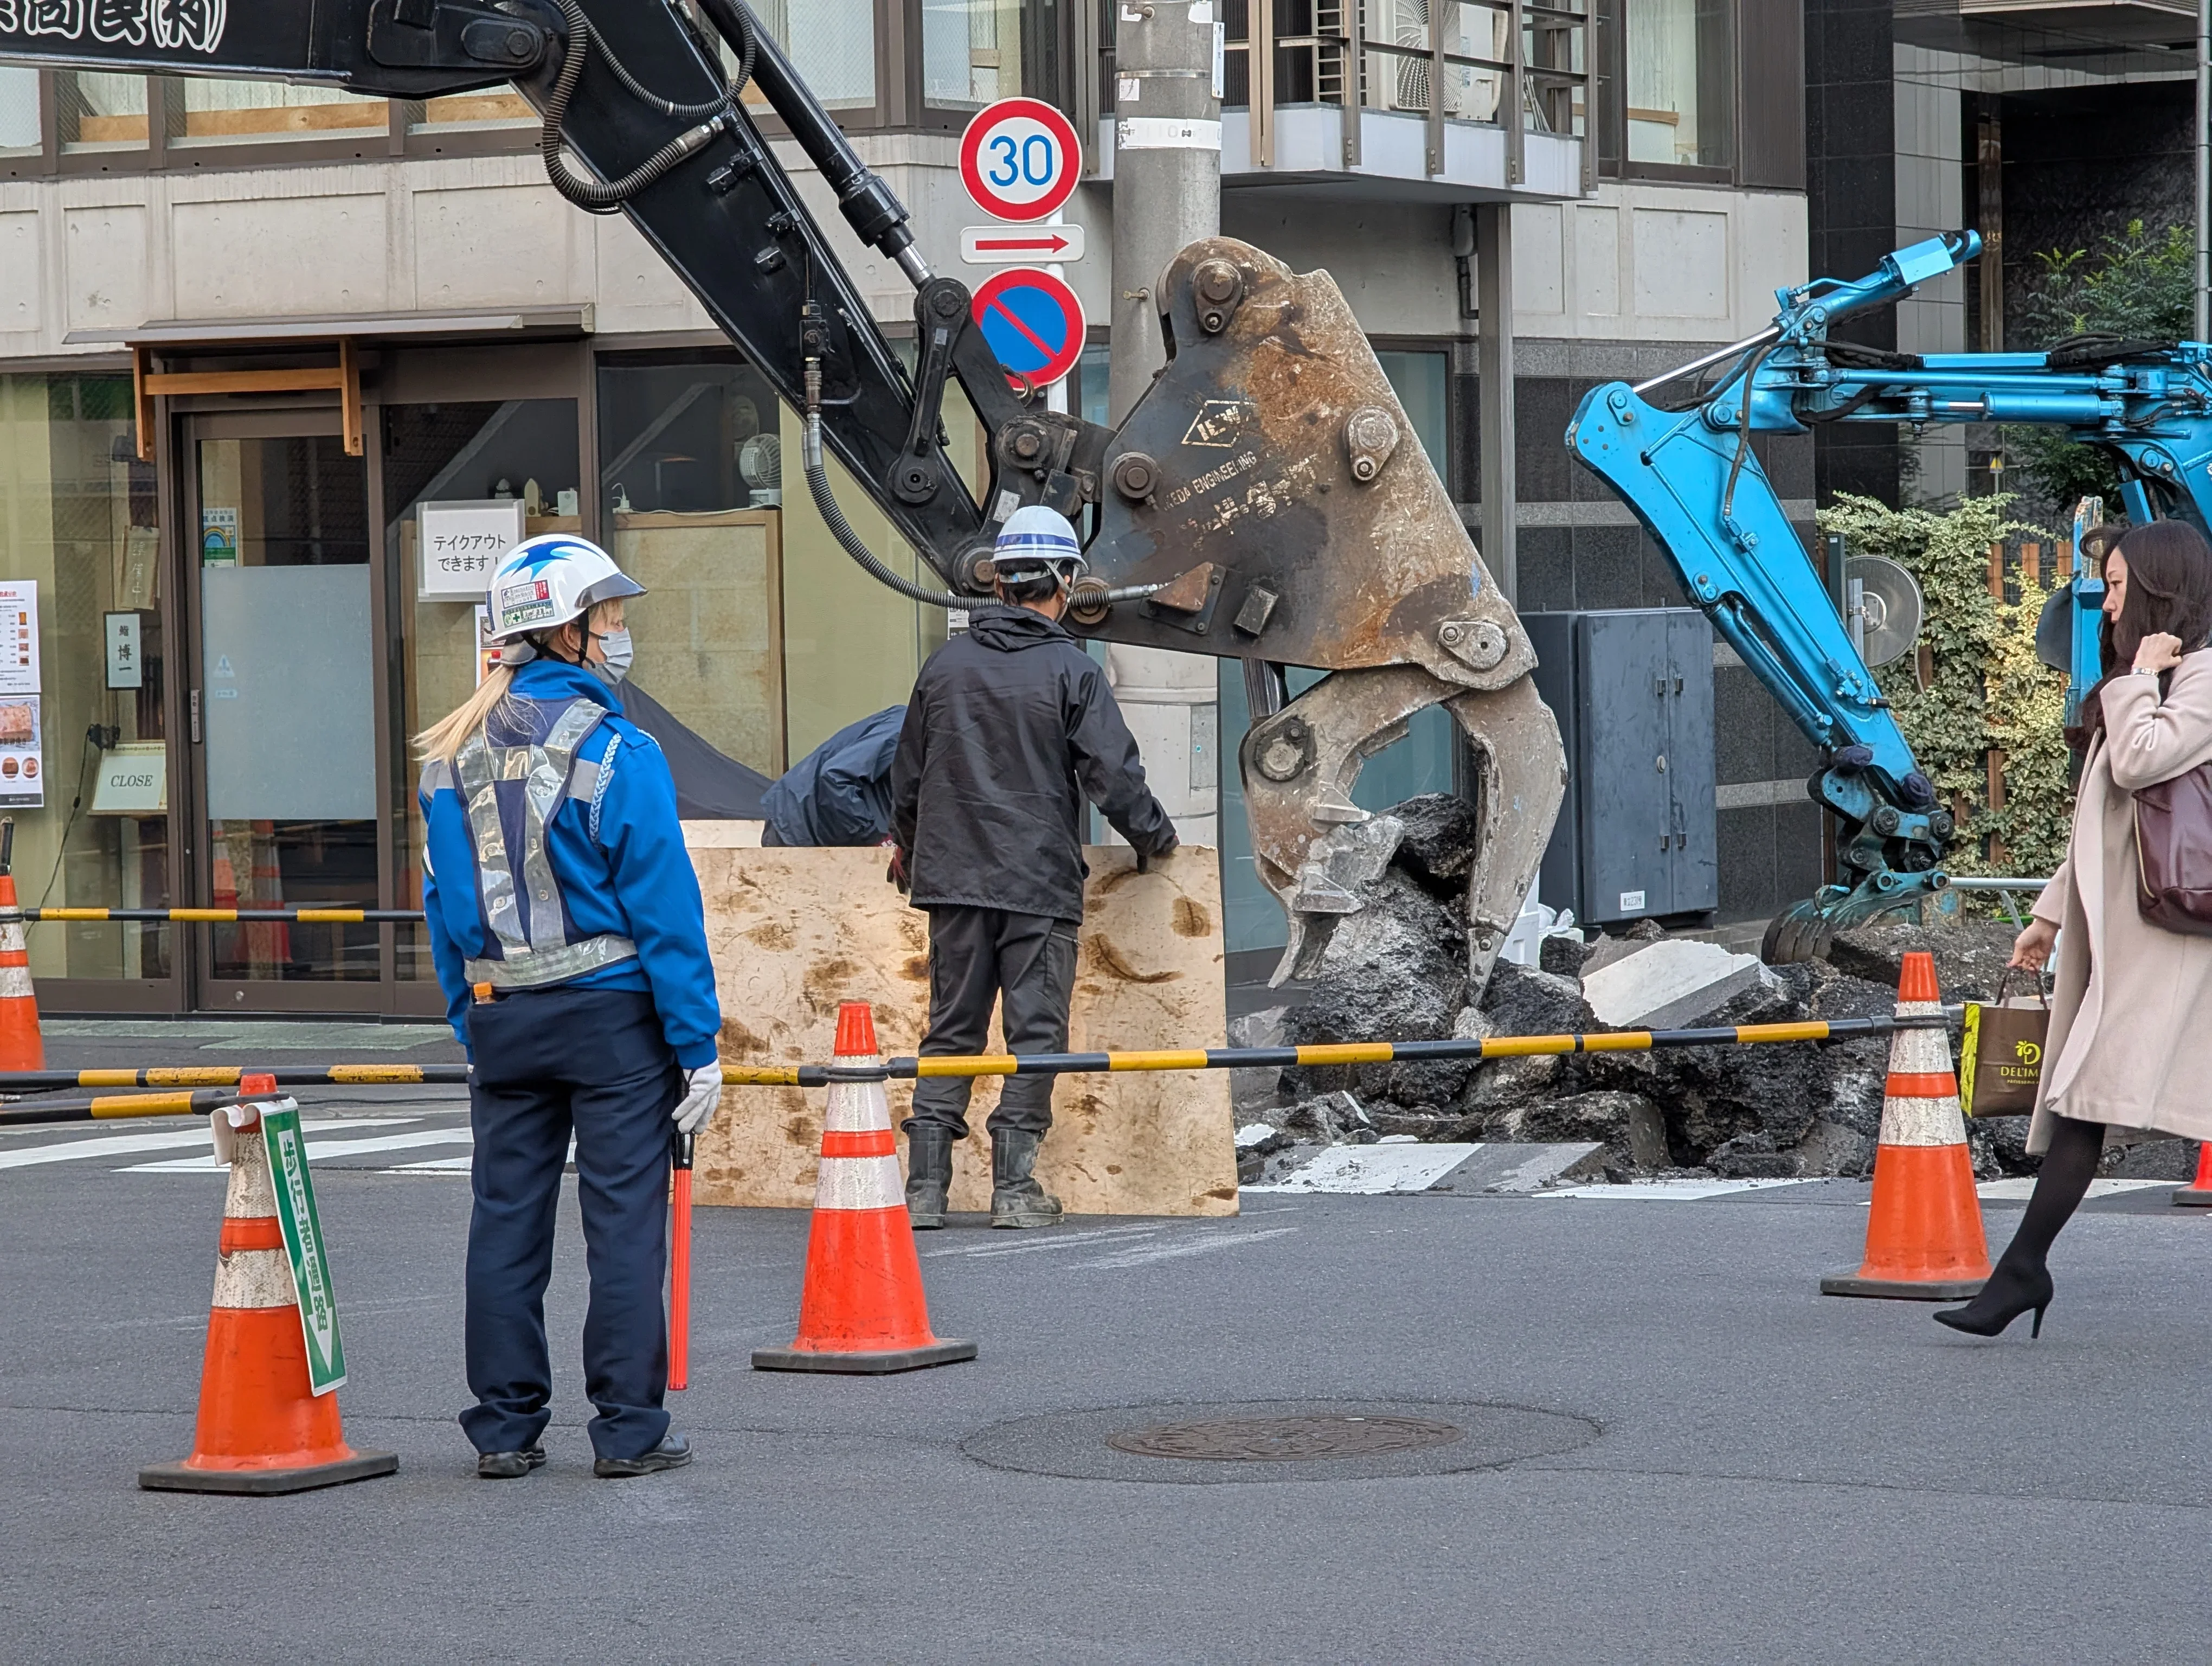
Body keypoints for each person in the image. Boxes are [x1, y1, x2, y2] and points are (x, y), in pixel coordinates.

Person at [417, 534, 723, 1476]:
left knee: (505, 1221)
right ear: (568, 632)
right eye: (611, 617)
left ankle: (505, 1430)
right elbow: (665, 908)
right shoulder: (618, 749)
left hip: (505, 1017)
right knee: (623, 1222)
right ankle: (629, 1432)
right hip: (613, 1017)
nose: (620, 633)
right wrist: (697, 1044)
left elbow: (442, 911)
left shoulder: (451, 756)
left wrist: (473, 1021)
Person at [1939, 518, 2212, 1339]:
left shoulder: (2197, 676)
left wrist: (2137, 675)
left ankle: (2021, 1273)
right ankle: (2021, 1271)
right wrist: (2048, 916)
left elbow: (2139, 763)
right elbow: (2102, 819)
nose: (2107, 601)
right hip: (2136, 935)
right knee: (2084, 1101)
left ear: (2164, 591)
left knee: (2088, 1094)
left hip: (2173, 935)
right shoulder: (2158, 676)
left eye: (2122, 585)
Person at [890, 505, 1178, 1229]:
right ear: (1065, 580)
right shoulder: (1071, 672)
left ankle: (924, 1191)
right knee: (1035, 1036)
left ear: (1000, 583)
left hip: (954, 882)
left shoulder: (945, 666)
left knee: (950, 1029)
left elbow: (907, 780)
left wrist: (910, 845)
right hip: (1037, 884)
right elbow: (1116, 777)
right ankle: (1015, 1192)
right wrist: (1157, 843)